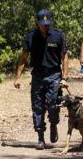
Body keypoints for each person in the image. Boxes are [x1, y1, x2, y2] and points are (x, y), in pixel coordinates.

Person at [14, 9, 68, 150]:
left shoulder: (58, 36)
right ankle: (40, 138)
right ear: (37, 22)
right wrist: (18, 77)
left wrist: (65, 77)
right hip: (37, 75)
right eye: (42, 24)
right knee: (37, 107)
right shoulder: (31, 37)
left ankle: (54, 123)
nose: (45, 26)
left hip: (54, 75)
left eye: (47, 23)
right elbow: (24, 57)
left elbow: (64, 56)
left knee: (52, 104)